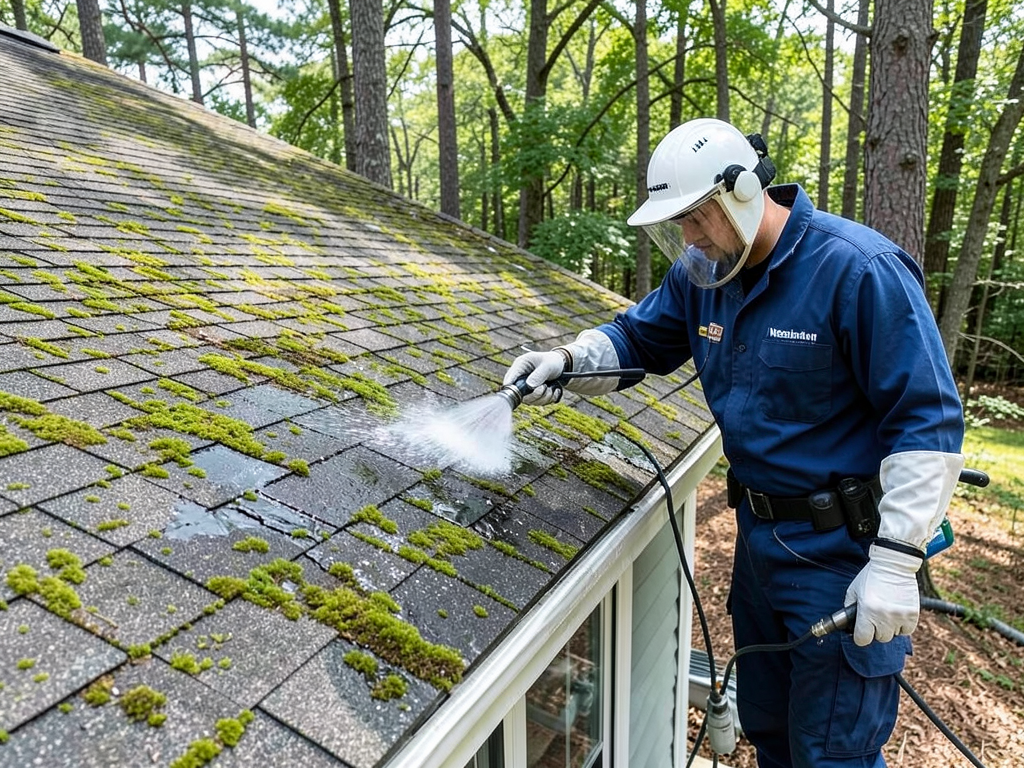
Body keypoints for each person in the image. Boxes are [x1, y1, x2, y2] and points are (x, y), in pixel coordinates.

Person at [503, 117, 965, 767]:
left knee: (831, 755)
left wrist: (892, 565)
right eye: (680, 225)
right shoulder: (705, 274)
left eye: (697, 218)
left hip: (841, 556)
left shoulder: (858, 271)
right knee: (769, 732)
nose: (690, 238)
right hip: (759, 549)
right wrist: (567, 361)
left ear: (744, 191)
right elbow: (637, 339)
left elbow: (928, 423)